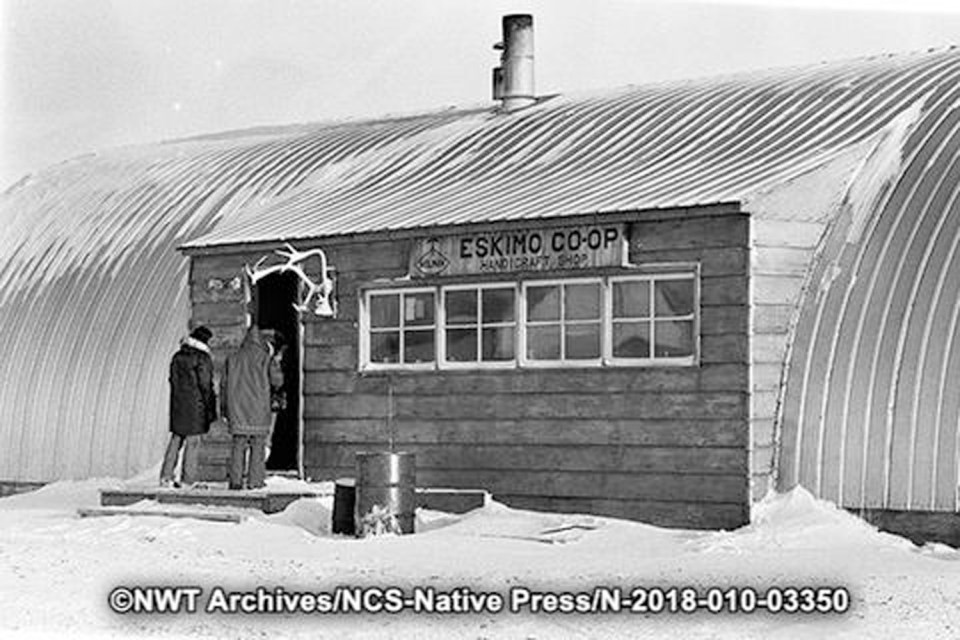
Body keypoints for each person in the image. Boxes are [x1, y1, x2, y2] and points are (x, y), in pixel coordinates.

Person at [223, 326, 283, 490]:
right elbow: (277, 382)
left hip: (237, 409)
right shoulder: (266, 358)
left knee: (238, 445)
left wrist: (224, 409)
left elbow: (223, 386)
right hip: (259, 408)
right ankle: (255, 482)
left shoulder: (232, 358)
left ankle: (235, 481)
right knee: (258, 445)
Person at [160, 325, 217, 488]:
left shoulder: (177, 356)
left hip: (178, 404)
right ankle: (188, 480)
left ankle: (166, 476)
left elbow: (172, 380)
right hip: (196, 407)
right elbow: (205, 385)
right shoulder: (202, 358)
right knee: (193, 442)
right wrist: (210, 406)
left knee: (176, 440)